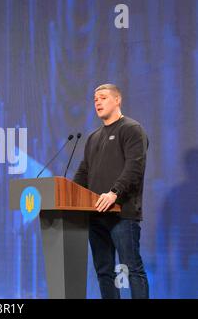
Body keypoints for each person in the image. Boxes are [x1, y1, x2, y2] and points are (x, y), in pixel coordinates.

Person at [73, 84, 149, 299]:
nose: (97, 102)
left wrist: (114, 192)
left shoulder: (132, 129)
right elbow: (83, 172)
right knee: (104, 272)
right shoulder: (93, 137)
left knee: (131, 269)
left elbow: (135, 166)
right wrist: (67, 194)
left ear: (117, 100)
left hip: (122, 214)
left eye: (103, 98)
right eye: (95, 99)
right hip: (96, 215)